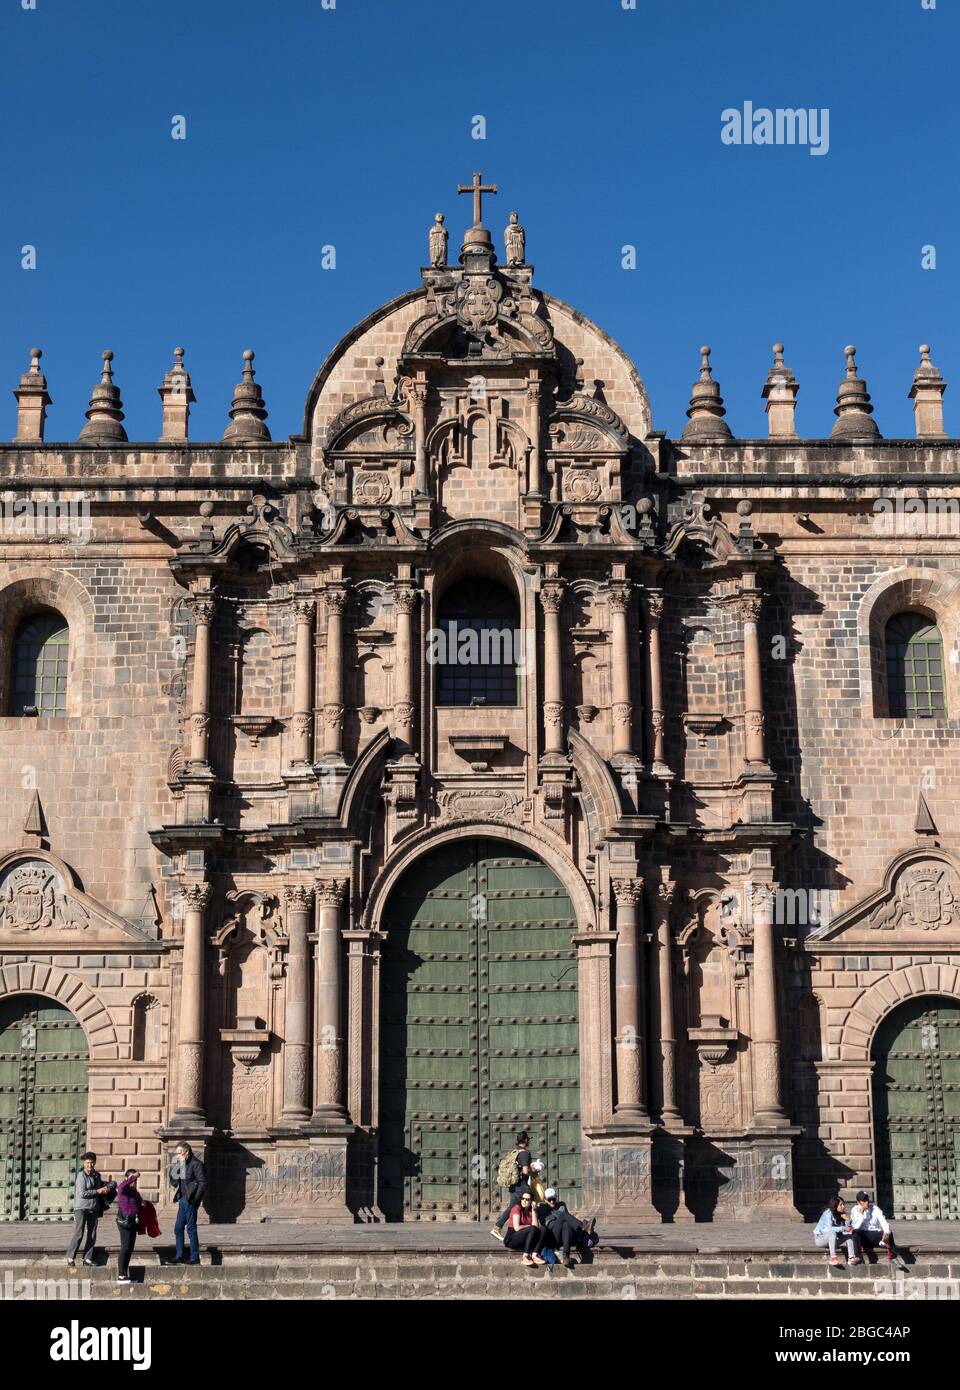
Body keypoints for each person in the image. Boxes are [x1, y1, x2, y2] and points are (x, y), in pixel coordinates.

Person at [165, 1141, 206, 1266]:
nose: (177, 1155)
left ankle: (194, 1257)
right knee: (178, 1228)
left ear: (186, 1152)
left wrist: (195, 1200)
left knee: (191, 1228)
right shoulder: (181, 1164)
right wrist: (178, 1166)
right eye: (176, 1153)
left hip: (190, 1200)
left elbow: (202, 1183)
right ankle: (179, 1255)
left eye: (179, 1153)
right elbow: (173, 1181)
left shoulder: (196, 1164)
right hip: (182, 1199)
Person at [67, 1153, 110, 1268]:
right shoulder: (81, 1176)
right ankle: (70, 1257)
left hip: (93, 1208)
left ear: (94, 1162)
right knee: (79, 1233)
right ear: (84, 1163)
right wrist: (97, 1191)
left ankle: (87, 1258)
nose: (89, 1165)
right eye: (87, 1163)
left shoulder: (97, 1175)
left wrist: (106, 1188)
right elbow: (83, 1193)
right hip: (81, 1207)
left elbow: (99, 1188)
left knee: (92, 1234)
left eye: (91, 1162)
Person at [537, 1188, 598, 1268]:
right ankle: (583, 1228)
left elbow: (568, 1220)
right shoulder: (542, 1207)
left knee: (566, 1224)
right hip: (552, 1236)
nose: (552, 1201)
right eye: (549, 1199)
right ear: (545, 1199)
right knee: (563, 1215)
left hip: (565, 1236)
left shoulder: (561, 1204)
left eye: (554, 1199)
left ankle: (566, 1255)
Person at [491, 1131, 533, 1240]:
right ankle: (533, 1228)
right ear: (525, 1140)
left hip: (514, 1185)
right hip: (521, 1186)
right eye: (528, 1139)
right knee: (533, 1203)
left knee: (513, 1207)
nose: (528, 1141)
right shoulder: (524, 1153)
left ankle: (499, 1227)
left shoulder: (514, 1152)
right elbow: (524, 1171)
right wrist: (534, 1171)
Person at [850, 1191, 906, 1268]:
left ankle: (893, 1257)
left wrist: (886, 1233)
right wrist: (861, 1214)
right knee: (855, 1232)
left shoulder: (875, 1209)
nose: (867, 1202)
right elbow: (856, 1226)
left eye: (867, 1200)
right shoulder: (855, 1210)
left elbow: (884, 1222)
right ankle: (859, 1257)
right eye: (864, 1201)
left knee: (889, 1232)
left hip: (874, 1236)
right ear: (859, 1202)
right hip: (863, 1239)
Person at [503, 1191, 547, 1266]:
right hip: (512, 1239)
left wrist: (533, 1210)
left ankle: (534, 1255)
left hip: (525, 1239)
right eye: (522, 1198)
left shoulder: (532, 1210)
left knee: (543, 1229)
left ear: (531, 1201)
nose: (524, 1201)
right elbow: (517, 1228)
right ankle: (525, 1257)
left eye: (527, 1199)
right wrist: (529, 1226)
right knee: (532, 1228)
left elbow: (535, 1227)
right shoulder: (516, 1208)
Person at [813, 1196, 859, 1267]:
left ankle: (851, 1258)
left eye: (843, 1204)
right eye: (841, 1205)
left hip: (833, 1240)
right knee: (832, 1232)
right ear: (835, 1206)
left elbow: (847, 1229)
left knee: (849, 1236)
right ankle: (833, 1258)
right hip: (821, 1239)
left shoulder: (841, 1215)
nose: (843, 1206)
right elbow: (829, 1228)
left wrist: (847, 1220)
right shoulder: (828, 1213)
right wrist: (843, 1228)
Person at [115, 1169, 142, 1285]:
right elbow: (122, 1185)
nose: (134, 1182)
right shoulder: (122, 1189)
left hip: (133, 1222)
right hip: (124, 1222)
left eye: (135, 1181)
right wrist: (133, 1176)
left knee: (130, 1248)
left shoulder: (135, 1192)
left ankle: (125, 1275)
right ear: (127, 1179)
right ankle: (121, 1275)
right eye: (132, 1180)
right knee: (125, 1247)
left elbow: (138, 1203)